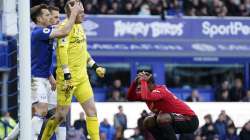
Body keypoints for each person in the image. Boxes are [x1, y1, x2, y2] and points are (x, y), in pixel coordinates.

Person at [5, 3, 82, 140]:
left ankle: (11, 138)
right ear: (39, 19)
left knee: (59, 113)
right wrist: (74, 13)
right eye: (47, 15)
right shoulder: (39, 32)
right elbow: (64, 31)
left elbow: (63, 28)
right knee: (41, 111)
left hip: (45, 77)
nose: (51, 18)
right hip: (36, 79)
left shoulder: (47, 30)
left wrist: (50, 75)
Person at [39, 1, 105, 140]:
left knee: (92, 111)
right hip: (66, 80)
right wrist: (68, 76)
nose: (84, 14)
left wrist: (95, 66)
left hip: (82, 78)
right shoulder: (64, 28)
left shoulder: (80, 27)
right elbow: (61, 54)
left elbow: (83, 51)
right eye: (80, 12)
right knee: (61, 116)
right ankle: (44, 138)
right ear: (72, 13)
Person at [127, 71, 199, 140]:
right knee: (148, 121)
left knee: (162, 117)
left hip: (190, 120)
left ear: (150, 84)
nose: (139, 87)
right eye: (139, 85)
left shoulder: (160, 90)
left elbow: (146, 97)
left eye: (141, 85)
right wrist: (134, 82)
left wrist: (143, 81)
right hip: (174, 119)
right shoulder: (146, 94)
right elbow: (130, 97)